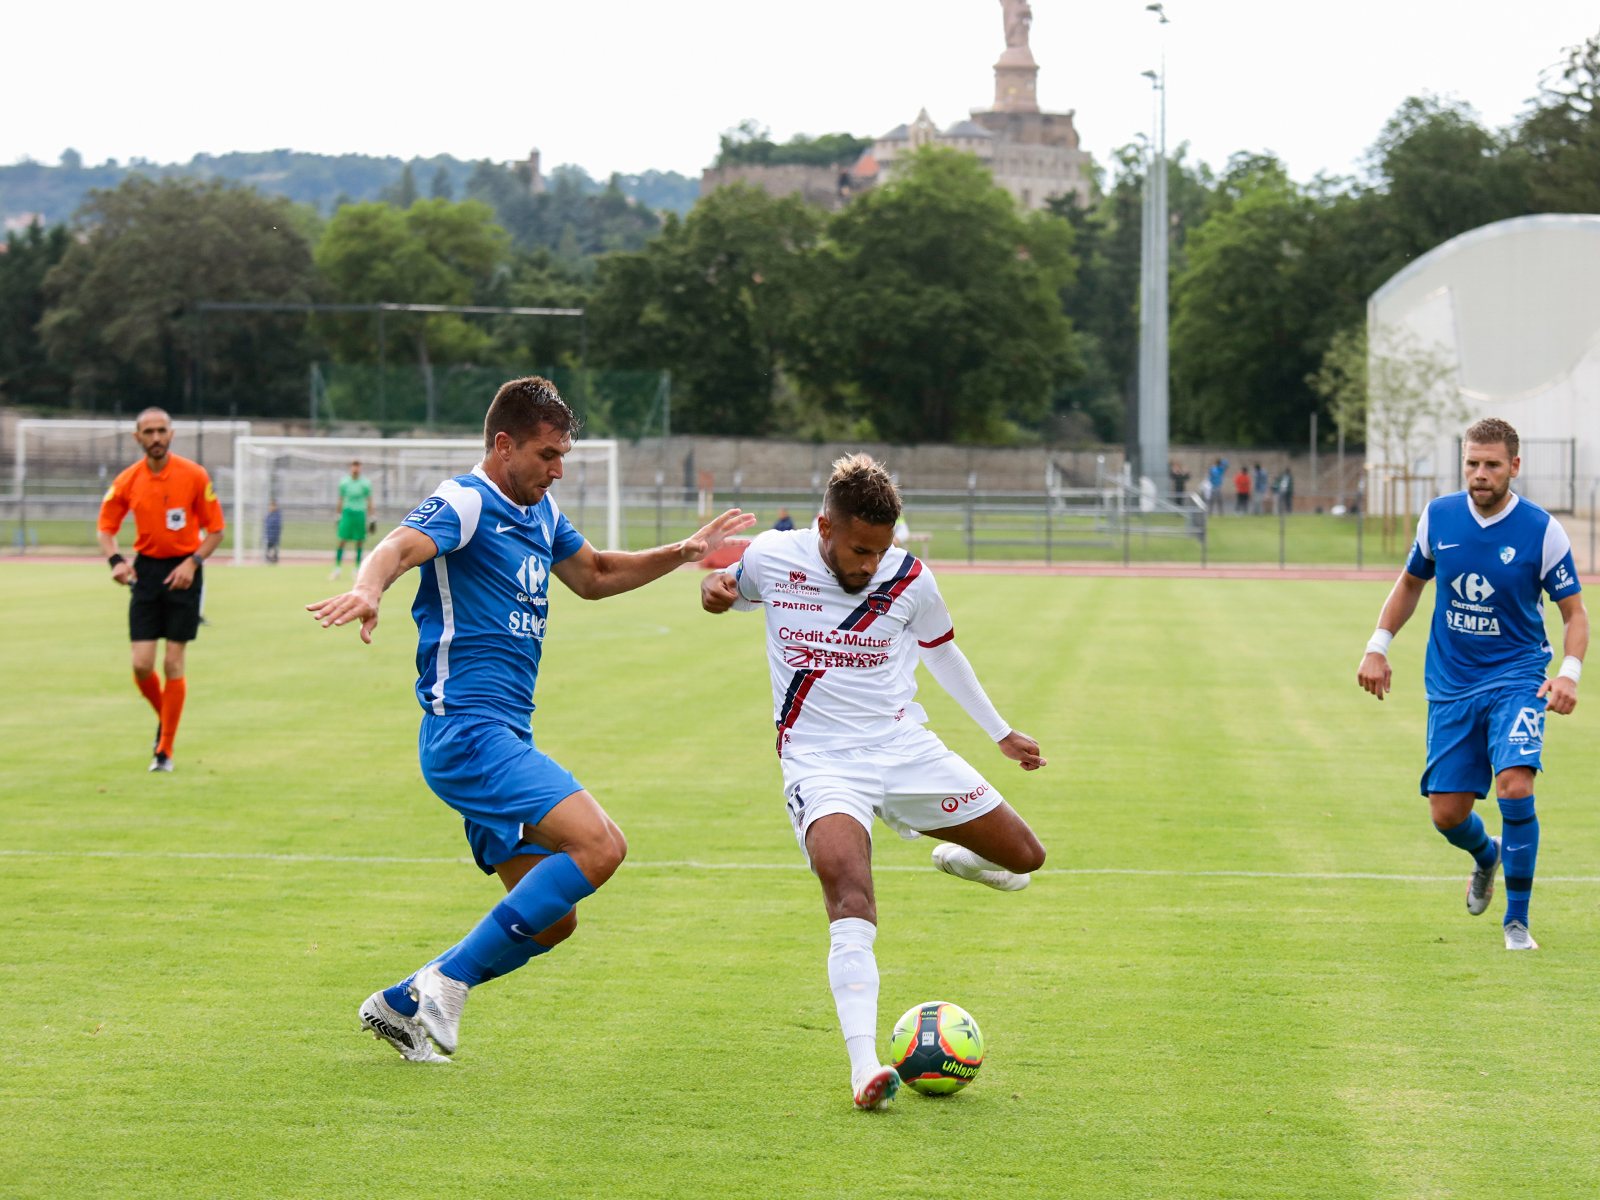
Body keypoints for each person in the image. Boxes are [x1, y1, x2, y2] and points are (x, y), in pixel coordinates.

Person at [307, 377, 754, 1063]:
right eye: (548, 454)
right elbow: (396, 547)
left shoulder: (542, 514)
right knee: (602, 846)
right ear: (504, 444)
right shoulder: (467, 501)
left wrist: (684, 552)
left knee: (553, 920)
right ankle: (448, 981)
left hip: (505, 734)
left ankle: (401, 1002)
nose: (559, 469)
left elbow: (597, 574)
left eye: (563, 454)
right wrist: (369, 589)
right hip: (467, 731)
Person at [700, 454, 1047, 1111]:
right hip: (820, 760)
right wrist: (717, 593)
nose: (869, 565)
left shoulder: (909, 575)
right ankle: (865, 1068)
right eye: (860, 549)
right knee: (848, 890)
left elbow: (941, 650)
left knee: (1026, 857)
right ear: (825, 526)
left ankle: (965, 861)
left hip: (902, 747)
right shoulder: (775, 557)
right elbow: (727, 588)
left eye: (882, 550)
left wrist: (1000, 732)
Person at [1357, 418, 1587, 951]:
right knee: (1448, 814)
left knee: (1514, 785)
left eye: (1492, 465)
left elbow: (1574, 613)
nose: (1480, 475)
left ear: (1514, 467)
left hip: (1518, 676)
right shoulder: (1439, 516)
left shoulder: (1541, 530)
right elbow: (1411, 582)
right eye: (1472, 463)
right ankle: (1488, 855)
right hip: (1451, 682)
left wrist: (1569, 675)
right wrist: (1377, 645)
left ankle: (1518, 922)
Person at [96, 407, 226, 772]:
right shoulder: (126, 481)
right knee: (140, 665)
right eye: (148, 432)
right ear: (137, 437)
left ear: (171, 434)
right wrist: (116, 562)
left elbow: (216, 530)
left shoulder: (195, 475)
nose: (155, 438)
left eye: (161, 431)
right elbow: (106, 528)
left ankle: (163, 751)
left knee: (172, 662)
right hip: (146, 571)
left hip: (186, 569)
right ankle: (168, 719)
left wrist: (192, 563)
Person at [329, 460, 373, 581]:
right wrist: (337, 515)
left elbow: (369, 500)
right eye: (354, 467)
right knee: (341, 541)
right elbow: (340, 499)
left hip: (360, 515)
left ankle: (356, 570)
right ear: (350, 468)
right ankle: (337, 570)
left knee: (359, 542)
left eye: (358, 467)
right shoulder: (344, 482)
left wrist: (372, 518)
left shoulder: (365, 483)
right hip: (346, 515)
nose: (355, 469)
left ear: (361, 468)